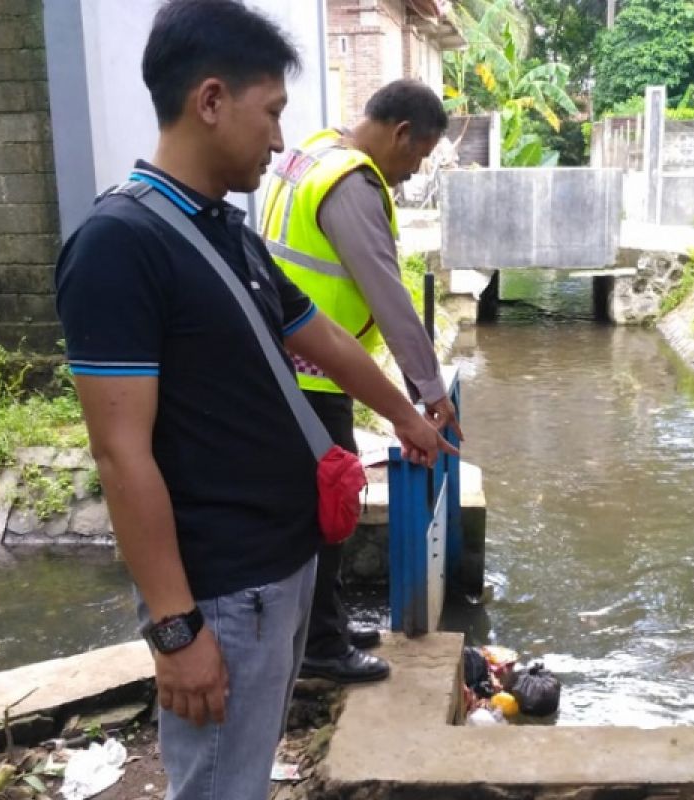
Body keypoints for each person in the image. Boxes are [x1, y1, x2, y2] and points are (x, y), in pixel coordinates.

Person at [54, 2, 454, 797]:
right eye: (270, 112)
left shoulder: (223, 231)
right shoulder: (118, 247)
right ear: (209, 101)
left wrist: (410, 415)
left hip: (283, 569)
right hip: (224, 588)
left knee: (244, 768)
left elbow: (323, 339)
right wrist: (176, 629)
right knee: (217, 785)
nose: (279, 139)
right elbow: (120, 452)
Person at [259, 79, 464, 684]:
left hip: (296, 363)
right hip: (310, 375)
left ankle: (326, 622)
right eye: (418, 155)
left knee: (319, 504)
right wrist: (428, 392)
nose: (412, 171)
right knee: (328, 507)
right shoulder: (350, 184)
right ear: (401, 133)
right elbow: (389, 296)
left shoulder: (317, 151)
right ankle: (320, 646)